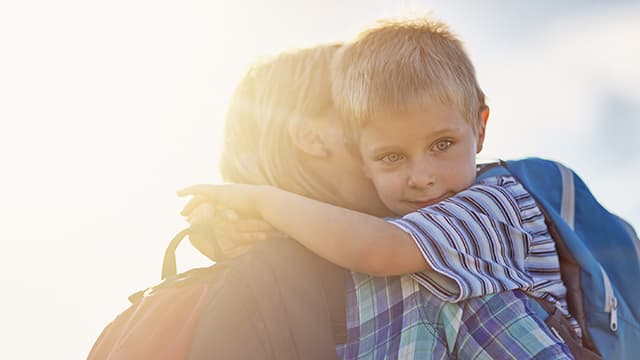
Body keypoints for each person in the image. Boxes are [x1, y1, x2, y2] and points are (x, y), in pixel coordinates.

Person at [180, 18, 581, 359]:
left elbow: (378, 247)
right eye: (390, 153)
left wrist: (257, 201)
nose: (420, 176)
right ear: (312, 137)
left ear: (479, 127)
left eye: (441, 144)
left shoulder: (489, 204)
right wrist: (226, 223)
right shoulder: (301, 260)